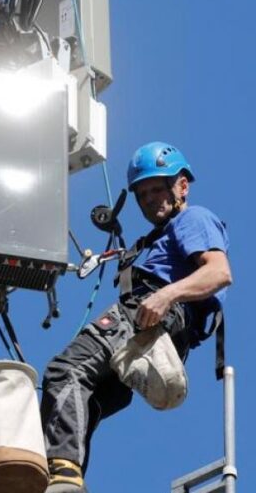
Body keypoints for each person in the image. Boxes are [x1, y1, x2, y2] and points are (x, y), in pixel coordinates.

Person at [40, 142, 232, 493]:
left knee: (66, 370)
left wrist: (165, 295)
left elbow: (219, 272)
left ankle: (63, 477)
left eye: (158, 188)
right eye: (142, 194)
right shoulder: (154, 239)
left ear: (182, 186)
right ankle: (63, 480)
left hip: (150, 314)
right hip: (154, 326)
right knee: (90, 400)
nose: (150, 199)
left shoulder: (193, 218)